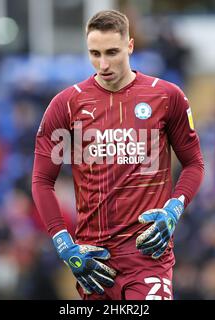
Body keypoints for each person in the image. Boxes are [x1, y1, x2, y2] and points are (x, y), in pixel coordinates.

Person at [32, 10, 204, 300]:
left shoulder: (166, 97)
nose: (103, 64)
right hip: (94, 261)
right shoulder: (66, 105)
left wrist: (174, 209)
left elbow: (194, 164)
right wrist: (63, 243)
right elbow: (41, 180)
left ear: (130, 46)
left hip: (148, 256)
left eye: (112, 52)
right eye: (94, 53)